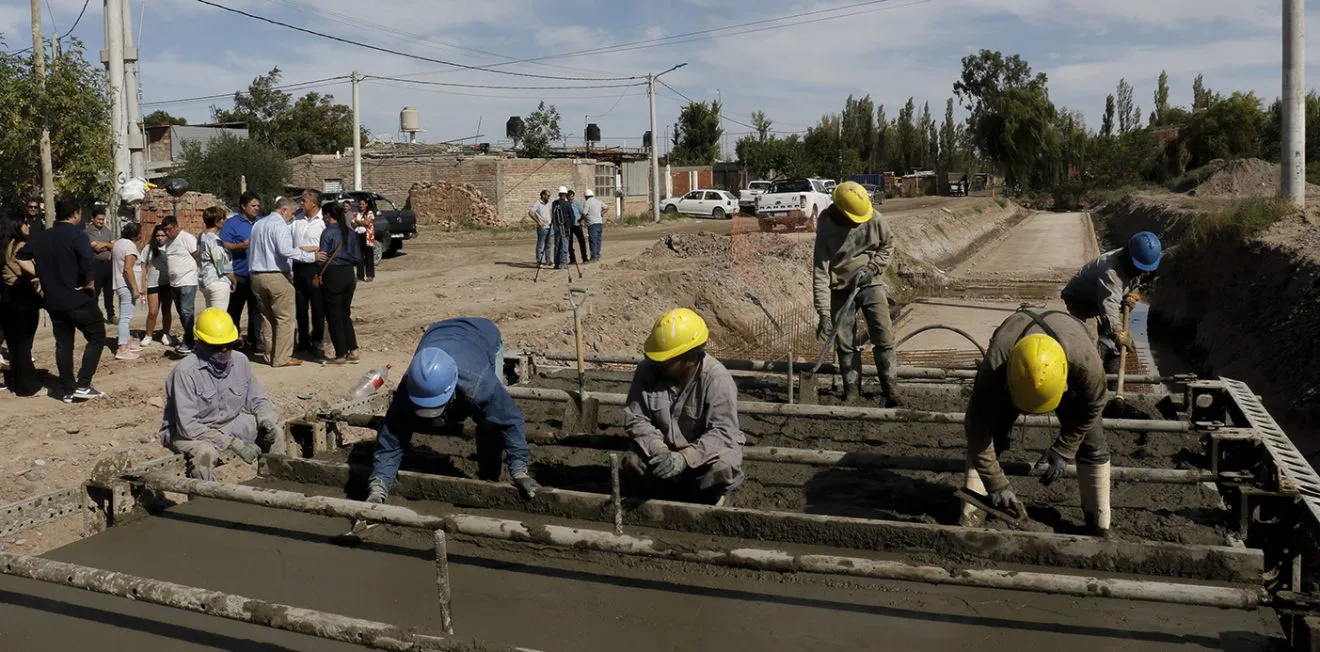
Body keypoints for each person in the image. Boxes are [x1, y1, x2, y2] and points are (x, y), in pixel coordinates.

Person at [960, 309, 1111, 537]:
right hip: (1011, 367)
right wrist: (996, 484)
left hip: (1069, 360)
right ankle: (972, 514)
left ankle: (1099, 524)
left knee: (1093, 444)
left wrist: (1065, 448)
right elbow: (977, 426)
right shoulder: (995, 365)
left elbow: (1093, 407)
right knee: (993, 434)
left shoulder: (1086, 365)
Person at [364, 317, 540, 504]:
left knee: (490, 422)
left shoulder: (480, 382)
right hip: (437, 332)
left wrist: (519, 470)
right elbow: (392, 436)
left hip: (483, 335)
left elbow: (510, 419)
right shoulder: (410, 386)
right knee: (411, 418)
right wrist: (378, 487)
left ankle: (489, 476)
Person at [622, 308, 744, 505]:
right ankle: (660, 494)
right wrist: (658, 449)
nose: (659, 364)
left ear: (692, 360)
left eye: (668, 361)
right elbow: (636, 418)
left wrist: (684, 458)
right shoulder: (648, 370)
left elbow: (722, 432)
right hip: (664, 445)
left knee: (724, 467)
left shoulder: (717, 379)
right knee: (633, 464)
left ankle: (704, 497)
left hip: (705, 450)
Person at [158, 308, 284, 481]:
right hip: (187, 433)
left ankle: (274, 485)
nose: (224, 351)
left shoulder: (240, 362)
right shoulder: (185, 373)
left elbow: (258, 400)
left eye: (229, 345)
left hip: (229, 423)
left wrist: (266, 421)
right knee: (205, 454)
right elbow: (188, 427)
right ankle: (204, 503)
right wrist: (231, 443)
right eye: (217, 347)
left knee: (275, 432)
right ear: (201, 342)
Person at [812, 181, 899, 406]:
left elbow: (888, 245)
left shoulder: (874, 218)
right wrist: (823, 313)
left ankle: (891, 389)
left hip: (870, 284)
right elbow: (821, 270)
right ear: (840, 209)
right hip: (841, 289)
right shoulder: (826, 224)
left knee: (884, 336)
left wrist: (873, 268)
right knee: (845, 343)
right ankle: (852, 391)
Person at [15, 199, 106, 402]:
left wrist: (38, 274)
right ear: (75, 214)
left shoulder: (42, 237)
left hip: (53, 301)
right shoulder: (77, 235)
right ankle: (83, 384)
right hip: (77, 298)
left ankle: (68, 389)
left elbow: (20, 256)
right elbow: (86, 261)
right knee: (97, 335)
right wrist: (89, 283)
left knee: (64, 345)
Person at [1061, 231, 1162, 374]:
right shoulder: (1111, 271)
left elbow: (1144, 279)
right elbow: (1109, 304)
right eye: (1139, 269)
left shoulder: (1141, 261)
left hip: (1102, 295)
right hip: (1080, 299)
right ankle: (1090, 375)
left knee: (1118, 344)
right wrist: (1118, 332)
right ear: (1128, 256)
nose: (1141, 273)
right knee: (1087, 344)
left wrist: (1133, 293)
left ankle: (1110, 374)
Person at [248, 197, 315, 367]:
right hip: (276, 275)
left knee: (267, 317)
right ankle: (282, 357)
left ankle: (270, 354)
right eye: (292, 213)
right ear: (284, 210)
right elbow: (285, 251)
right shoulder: (279, 225)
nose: (293, 217)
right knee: (285, 317)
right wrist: (310, 256)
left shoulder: (258, 224)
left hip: (256, 275)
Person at [0, 214, 43, 396]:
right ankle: (28, 387)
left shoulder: (4, 246)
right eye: (25, 223)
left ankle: (16, 383)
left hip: (7, 299)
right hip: (23, 298)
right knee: (24, 345)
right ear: (17, 225)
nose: (28, 226)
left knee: (15, 345)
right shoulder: (21, 246)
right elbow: (31, 270)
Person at [317, 202, 363, 364]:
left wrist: (317, 272)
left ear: (328, 215)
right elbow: (358, 257)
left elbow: (322, 257)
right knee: (345, 313)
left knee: (333, 314)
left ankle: (340, 353)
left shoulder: (327, 233)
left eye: (324, 215)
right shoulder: (350, 233)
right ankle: (353, 349)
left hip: (333, 274)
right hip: (349, 274)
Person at [220, 192, 263, 352]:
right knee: (234, 310)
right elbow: (222, 244)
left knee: (256, 309)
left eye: (258, 206)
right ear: (243, 206)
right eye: (253, 205)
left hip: (257, 273)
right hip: (238, 274)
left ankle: (256, 340)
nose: (256, 209)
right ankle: (233, 340)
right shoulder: (231, 224)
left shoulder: (261, 222)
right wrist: (239, 246)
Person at [290, 190, 327, 357]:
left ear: (313, 203)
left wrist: (311, 249)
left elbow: (328, 247)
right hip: (298, 268)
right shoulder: (296, 220)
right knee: (300, 307)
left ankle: (317, 340)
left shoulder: (324, 222)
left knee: (318, 307)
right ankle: (303, 341)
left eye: (304, 201)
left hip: (316, 269)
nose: (301, 204)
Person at [162, 216, 199, 354]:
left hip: (187, 281)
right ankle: (190, 339)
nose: (166, 233)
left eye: (168, 229)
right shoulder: (168, 243)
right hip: (174, 284)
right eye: (164, 230)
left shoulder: (187, 238)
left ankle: (189, 341)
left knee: (186, 311)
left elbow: (197, 256)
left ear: (176, 226)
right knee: (181, 313)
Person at [110, 223, 143, 360]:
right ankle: (122, 348)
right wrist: (135, 288)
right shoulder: (129, 246)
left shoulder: (118, 244)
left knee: (126, 315)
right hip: (126, 285)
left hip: (120, 284)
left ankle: (126, 342)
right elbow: (128, 269)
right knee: (125, 317)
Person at [139, 225, 174, 347]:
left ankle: (166, 333)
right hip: (153, 284)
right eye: (157, 235)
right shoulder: (148, 248)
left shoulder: (171, 246)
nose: (160, 238)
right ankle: (148, 335)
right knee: (153, 312)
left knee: (166, 310)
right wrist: (142, 285)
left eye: (162, 235)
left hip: (167, 283)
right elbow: (143, 267)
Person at [198, 206, 235, 312]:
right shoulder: (214, 240)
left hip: (205, 280)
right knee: (219, 316)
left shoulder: (202, 236)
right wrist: (233, 279)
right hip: (217, 281)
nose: (224, 221)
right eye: (222, 219)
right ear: (217, 221)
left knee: (211, 315)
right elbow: (221, 264)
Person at [84, 207, 116, 324]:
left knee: (109, 292)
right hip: (96, 265)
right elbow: (95, 247)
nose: (101, 222)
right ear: (93, 219)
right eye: (99, 219)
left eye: (103, 219)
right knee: (95, 292)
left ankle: (111, 315)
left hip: (108, 265)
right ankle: (95, 316)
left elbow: (114, 245)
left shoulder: (107, 231)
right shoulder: (87, 232)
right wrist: (108, 246)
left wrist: (105, 245)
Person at [550, 186, 575, 270]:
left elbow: (553, 216)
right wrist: (570, 226)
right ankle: (563, 262)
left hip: (557, 227)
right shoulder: (567, 204)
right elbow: (572, 216)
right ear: (565, 194)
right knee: (564, 245)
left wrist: (555, 226)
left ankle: (556, 263)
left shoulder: (554, 203)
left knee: (557, 245)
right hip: (565, 228)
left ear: (559, 194)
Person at [352, 198, 376, 283]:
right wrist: (361, 222)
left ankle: (370, 275)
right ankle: (360, 276)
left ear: (366, 205)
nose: (361, 206)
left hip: (367, 236)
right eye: (360, 204)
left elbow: (367, 223)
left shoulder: (369, 213)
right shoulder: (356, 214)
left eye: (363, 204)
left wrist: (358, 222)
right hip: (358, 236)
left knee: (368, 255)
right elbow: (353, 225)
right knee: (359, 256)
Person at [528, 189, 553, 268]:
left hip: (549, 226)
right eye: (548, 196)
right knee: (540, 245)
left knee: (548, 244)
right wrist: (538, 222)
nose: (549, 197)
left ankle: (548, 261)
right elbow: (531, 212)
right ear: (543, 195)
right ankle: (539, 262)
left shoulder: (548, 204)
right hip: (542, 228)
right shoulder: (538, 203)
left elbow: (550, 211)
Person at [582, 188, 608, 262]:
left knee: (593, 240)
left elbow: (584, 213)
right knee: (598, 240)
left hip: (592, 224)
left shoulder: (587, 202)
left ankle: (594, 257)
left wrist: (580, 220)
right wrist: (601, 213)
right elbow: (606, 207)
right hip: (599, 223)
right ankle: (597, 255)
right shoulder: (598, 201)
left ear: (586, 196)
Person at [567, 189, 587, 264]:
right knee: (569, 242)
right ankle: (572, 259)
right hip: (569, 226)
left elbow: (582, 212)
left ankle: (584, 258)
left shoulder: (577, 203)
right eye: (569, 197)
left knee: (581, 241)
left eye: (572, 196)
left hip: (577, 225)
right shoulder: (566, 204)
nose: (571, 198)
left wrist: (581, 221)